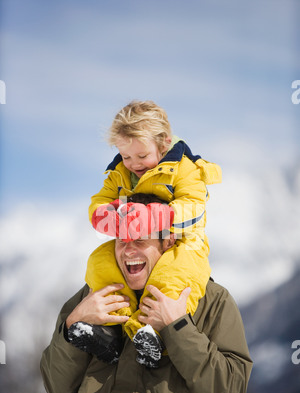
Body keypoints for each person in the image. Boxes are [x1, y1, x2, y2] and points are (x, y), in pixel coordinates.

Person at [40, 194, 253, 393]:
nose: (128, 250)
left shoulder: (211, 301)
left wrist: (178, 328)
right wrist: (73, 325)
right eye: (122, 239)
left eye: (140, 239)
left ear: (168, 240)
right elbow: (56, 388)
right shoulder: (94, 295)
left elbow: (229, 390)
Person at [84, 100, 222, 367]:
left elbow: (195, 208)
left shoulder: (185, 168)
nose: (134, 164)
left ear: (163, 143)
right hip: (133, 238)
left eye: (142, 156)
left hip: (183, 240)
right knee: (100, 262)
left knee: (174, 275)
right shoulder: (119, 173)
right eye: (126, 156)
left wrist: (161, 217)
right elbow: (100, 200)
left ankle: (153, 332)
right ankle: (111, 328)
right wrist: (105, 215)